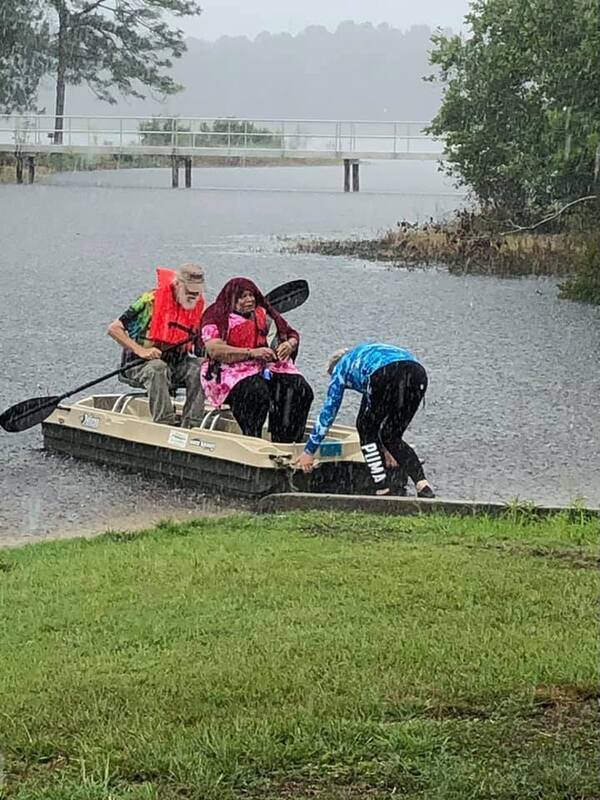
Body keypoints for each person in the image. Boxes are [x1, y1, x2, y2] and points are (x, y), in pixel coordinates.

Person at [295, 342, 435, 497]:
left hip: (385, 374)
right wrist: (387, 447)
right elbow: (380, 405)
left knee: (365, 430)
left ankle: (381, 486)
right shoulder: (363, 356)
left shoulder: (340, 368)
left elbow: (329, 411)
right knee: (392, 435)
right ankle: (422, 484)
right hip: (417, 374)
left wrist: (309, 451)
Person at [201, 277, 313, 441]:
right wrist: (251, 353)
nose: (250, 300)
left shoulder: (262, 313)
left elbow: (291, 334)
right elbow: (215, 350)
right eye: (243, 297)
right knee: (256, 392)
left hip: (260, 366)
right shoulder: (215, 316)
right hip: (226, 370)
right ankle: (251, 436)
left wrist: (289, 344)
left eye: (251, 295)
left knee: (299, 389)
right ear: (232, 299)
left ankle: (285, 437)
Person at [107, 263, 206, 428]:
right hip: (139, 364)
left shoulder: (197, 307)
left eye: (197, 293)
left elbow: (199, 348)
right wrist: (141, 351)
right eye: (189, 292)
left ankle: (192, 424)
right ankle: (164, 422)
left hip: (177, 364)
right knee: (157, 367)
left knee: (201, 367)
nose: (193, 297)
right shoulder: (149, 302)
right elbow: (114, 329)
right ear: (177, 285)